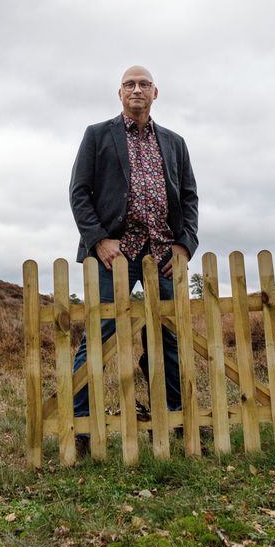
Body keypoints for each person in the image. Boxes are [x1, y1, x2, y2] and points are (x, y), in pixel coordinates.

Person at [68, 65, 199, 455]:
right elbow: (79, 193)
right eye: (130, 84)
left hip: (163, 254)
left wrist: (185, 244)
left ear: (155, 93)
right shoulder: (97, 136)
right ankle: (82, 427)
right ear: (119, 93)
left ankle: (177, 421)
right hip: (115, 256)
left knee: (170, 338)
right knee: (99, 335)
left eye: (144, 84)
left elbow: (189, 197)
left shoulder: (175, 142)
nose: (136, 89)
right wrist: (99, 240)